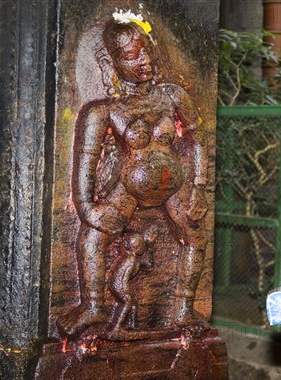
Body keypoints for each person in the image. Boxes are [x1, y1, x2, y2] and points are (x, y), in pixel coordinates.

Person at [57, 13, 208, 337]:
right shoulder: (105, 110)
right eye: (131, 55)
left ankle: (183, 310)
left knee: (195, 237)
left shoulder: (172, 96)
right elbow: (86, 162)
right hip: (128, 187)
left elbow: (197, 138)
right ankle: (94, 307)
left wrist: (199, 186)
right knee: (92, 237)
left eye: (146, 51)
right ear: (111, 61)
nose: (144, 60)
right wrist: (87, 208)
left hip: (173, 185)